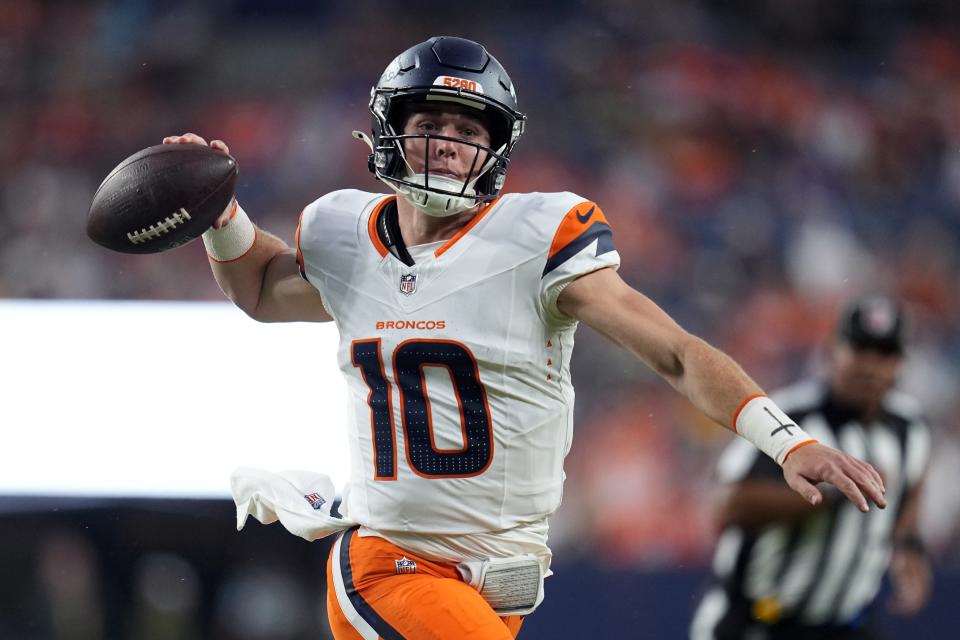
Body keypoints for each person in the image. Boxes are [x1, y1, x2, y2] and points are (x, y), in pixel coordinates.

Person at [163, 36, 886, 640]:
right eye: (433, 123)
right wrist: (220, 214)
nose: (448, 145)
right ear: (389, 127)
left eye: (470, 131)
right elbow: (260, 290)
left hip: (498, 583)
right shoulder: (342, 234)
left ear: (498, 149)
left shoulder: (536, 239)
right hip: (388, 563)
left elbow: (674, 351)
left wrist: (790, 441)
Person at [690, 295, 932, 640]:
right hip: (760, 621)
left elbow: (911, 485)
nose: (871, 366)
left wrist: (908, 546)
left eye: (884, 354)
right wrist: (830, 493)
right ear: (833, 350)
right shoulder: (787, 416)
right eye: (860, 350)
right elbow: (725, 505)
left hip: (847, 623)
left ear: (900, 363)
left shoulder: (909, 428)